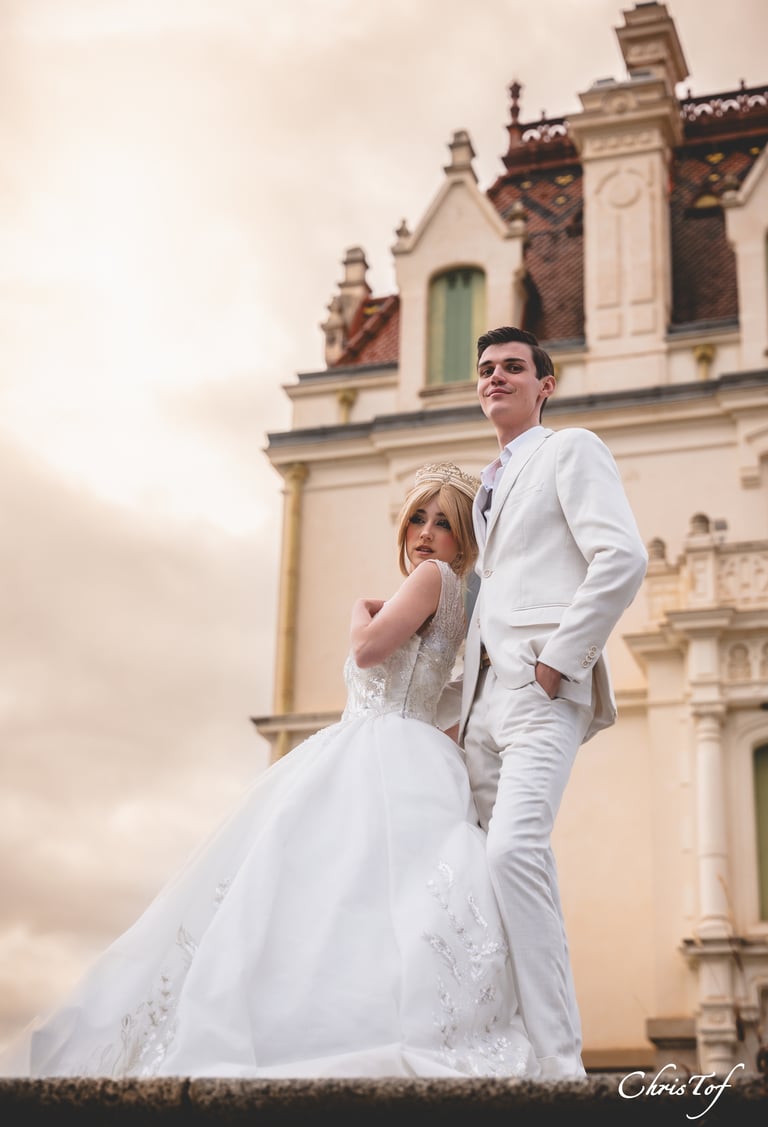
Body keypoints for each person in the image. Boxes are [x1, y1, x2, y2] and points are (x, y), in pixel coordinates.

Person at [0, 462, 540, 1082]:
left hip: (374, 746)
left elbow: (368, 651)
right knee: (370, 899)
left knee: (307, 889)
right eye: (417, 516)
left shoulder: (430, 579)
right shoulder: (462, 604)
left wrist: (359, 614)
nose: (424, 533)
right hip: (416, 751)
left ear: (463, 540)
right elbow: (456, 703)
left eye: (442, 523)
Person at [458, 326, 648, 1081]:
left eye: (512, 367)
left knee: (514, 850)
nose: (495, 377)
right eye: (485, 369)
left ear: (545, 384)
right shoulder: (487, 486)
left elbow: (622, 556)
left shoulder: (570, 449)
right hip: (484, 705)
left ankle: (560, 1064)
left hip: (542, 686)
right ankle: (499, 1046)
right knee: (479, 865)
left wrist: (558, 662)